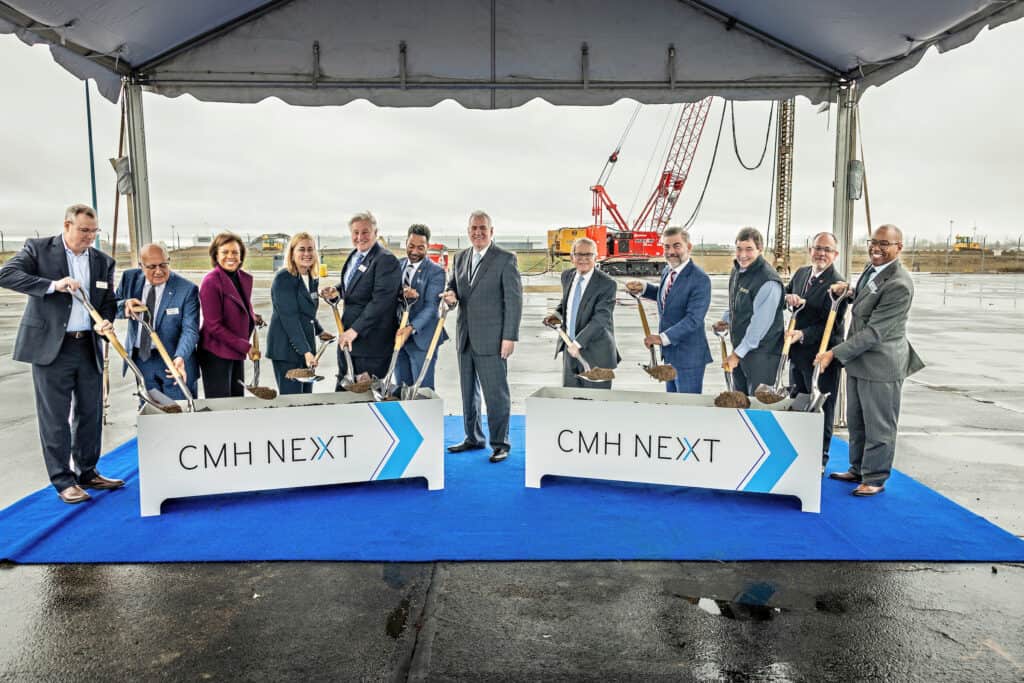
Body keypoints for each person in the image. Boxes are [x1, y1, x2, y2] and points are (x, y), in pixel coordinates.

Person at [0, 204, 123, 504]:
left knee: (90, 412)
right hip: (52, 348)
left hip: (87, 346)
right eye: (84, 231)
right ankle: (63, 480)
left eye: (94, 232)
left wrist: (108, 319)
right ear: (67, 225)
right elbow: (6, 275)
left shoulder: (102, 260)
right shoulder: (38, 249)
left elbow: (108, 300)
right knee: (55, 417)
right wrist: (54, 285)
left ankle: (88, 471)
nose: (90, 238)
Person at [817, 224, 925, 497]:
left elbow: (874, 332)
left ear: (899, 247)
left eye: (884, 244)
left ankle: (875, 477)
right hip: (858, 363)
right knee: (857, 420)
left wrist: (834, 353)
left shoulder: (899, 284)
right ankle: (857, 468)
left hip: (880, 365)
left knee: (879, 426)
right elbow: (867, 295)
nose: (876, 248)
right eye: (873, 242)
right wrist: (849, 290)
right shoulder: (873, 270)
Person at [443, 210, 523, 463]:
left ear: (491, 231)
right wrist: (451, 297)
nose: (478, 232)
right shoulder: (460, 257)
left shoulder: (505, 259)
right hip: (465, 337)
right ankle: (473, 437)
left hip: (493, 338)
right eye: (473, 228)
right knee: (469, 392)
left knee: (495, 394)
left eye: (482, 228)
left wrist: (509, 337)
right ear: (468, 231)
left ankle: (501, 443)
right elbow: (452, 287)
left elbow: (514, 301)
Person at [783, 232, 847, 469]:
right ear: (810, 250)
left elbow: (832, 325)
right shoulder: (801, 274)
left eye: (827, 250)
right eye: (818, 248)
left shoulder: (837, 284)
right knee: (798, 403)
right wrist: (787, 297)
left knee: (822, 409)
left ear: (835, 255)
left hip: (822, 357)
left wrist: (803, 334)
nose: (821, 253)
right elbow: (785, 297)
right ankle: (798, 453)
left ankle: (819, 459)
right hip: (797, 355)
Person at [625, 227, 711, 393]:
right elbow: (669, 297)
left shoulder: (700, 279)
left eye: (676, 246)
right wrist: (643, 288)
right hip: (670, 354)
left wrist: (662, 338)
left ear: (689, 247)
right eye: (666, 247)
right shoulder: (668, 271)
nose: (671, 251)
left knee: (686, 410)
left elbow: (694, 319)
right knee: (672, 406)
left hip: (688, 358)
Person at [321, 211, 401, 387]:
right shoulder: (355, 256)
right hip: (349, 342)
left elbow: (381, 302)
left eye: (365, 232)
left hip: (371, 346)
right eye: (355, 233)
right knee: (345, 397)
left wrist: (355, 330)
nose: (360, 237)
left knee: (366, 402)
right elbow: (354, 285)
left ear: (375, 232)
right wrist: (337, 290)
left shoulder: (385, 260)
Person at [115, 243, 200, 400]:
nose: (159, 271)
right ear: (141, 265)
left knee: (179, 412)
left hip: (174, 362)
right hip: (142, 360)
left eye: (163, 265)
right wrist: (124, 305)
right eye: (152, 267)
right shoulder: (129, 279)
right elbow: (112, 306)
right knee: (150, 412)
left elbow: (190, 330)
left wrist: (180, 357)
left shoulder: (187, 289)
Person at [712, 227, 784, 395]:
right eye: (739, 249)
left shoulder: (768, 281)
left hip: (762, 355)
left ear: (760, 249)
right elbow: (736, 305)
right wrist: (726, 320)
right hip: (741, 349)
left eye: (749, 249)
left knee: (757, 406)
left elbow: (760, 325)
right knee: (740, 400)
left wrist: (737, 355)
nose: (743, 255)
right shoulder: (738, 271)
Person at [544, 237, 619, 389]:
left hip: (597, 354)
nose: (583, 259)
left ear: (595, 257)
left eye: (588, 255)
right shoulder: (567, 276)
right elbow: (566, 304)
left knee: (596, 406)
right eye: (579, 254)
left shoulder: (607, 284)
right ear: (572, 257)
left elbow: (601, 319)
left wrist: (577, 343)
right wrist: (556, 316)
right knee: (571, 403)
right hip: (569, 351)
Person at [198, 231, 261, 399]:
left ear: (241, 255)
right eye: (225, 252)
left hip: (234, 351)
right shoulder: (211, 282)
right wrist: (246, 347)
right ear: (216, 255)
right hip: (216, 354)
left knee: (236, 401)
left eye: (235, 252)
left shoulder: (241, 278)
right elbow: (214, 326)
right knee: (221, 407)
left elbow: (240, 305)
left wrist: (252, 316)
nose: (230, 256)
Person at [266, 232, 327, 394]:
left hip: (305, 347)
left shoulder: (312, 277)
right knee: (293, 400)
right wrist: (306, 351)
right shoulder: (283, 279)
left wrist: (320, 331)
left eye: (310, 249)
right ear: (292, 253)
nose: (306, 254)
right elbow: (289, 318)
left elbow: (307, 313)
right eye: (301, 249)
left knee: (306, 397)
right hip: (286, 350)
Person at [393, 224, 448, 391]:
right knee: (401, 390)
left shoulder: (436, 272)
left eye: (420, 247)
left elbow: (431, 307)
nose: (415, 251)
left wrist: (410, 328)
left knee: (422, 393)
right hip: (398, 337)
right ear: (406, 243)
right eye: (411, 246)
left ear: (428, 247)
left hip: (422, 339)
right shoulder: (397, 265)